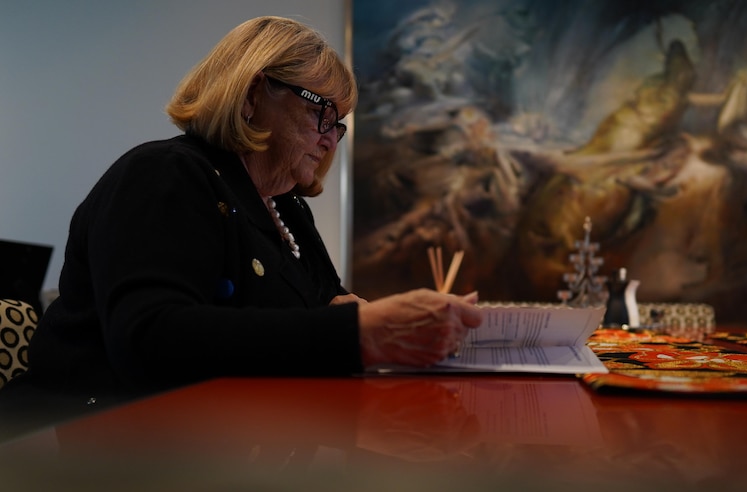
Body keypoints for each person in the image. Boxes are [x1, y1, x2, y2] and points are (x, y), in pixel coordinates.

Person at [1, 16, 482, 429]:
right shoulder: (165, 174)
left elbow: (321, 311)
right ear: (252, 95)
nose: (331, 140)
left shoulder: (289, 209)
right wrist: (357, 332)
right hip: (90, 454)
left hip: (222, 447)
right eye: (322, 112)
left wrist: (353, 314)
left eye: (339, 124)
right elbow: (149, 341)